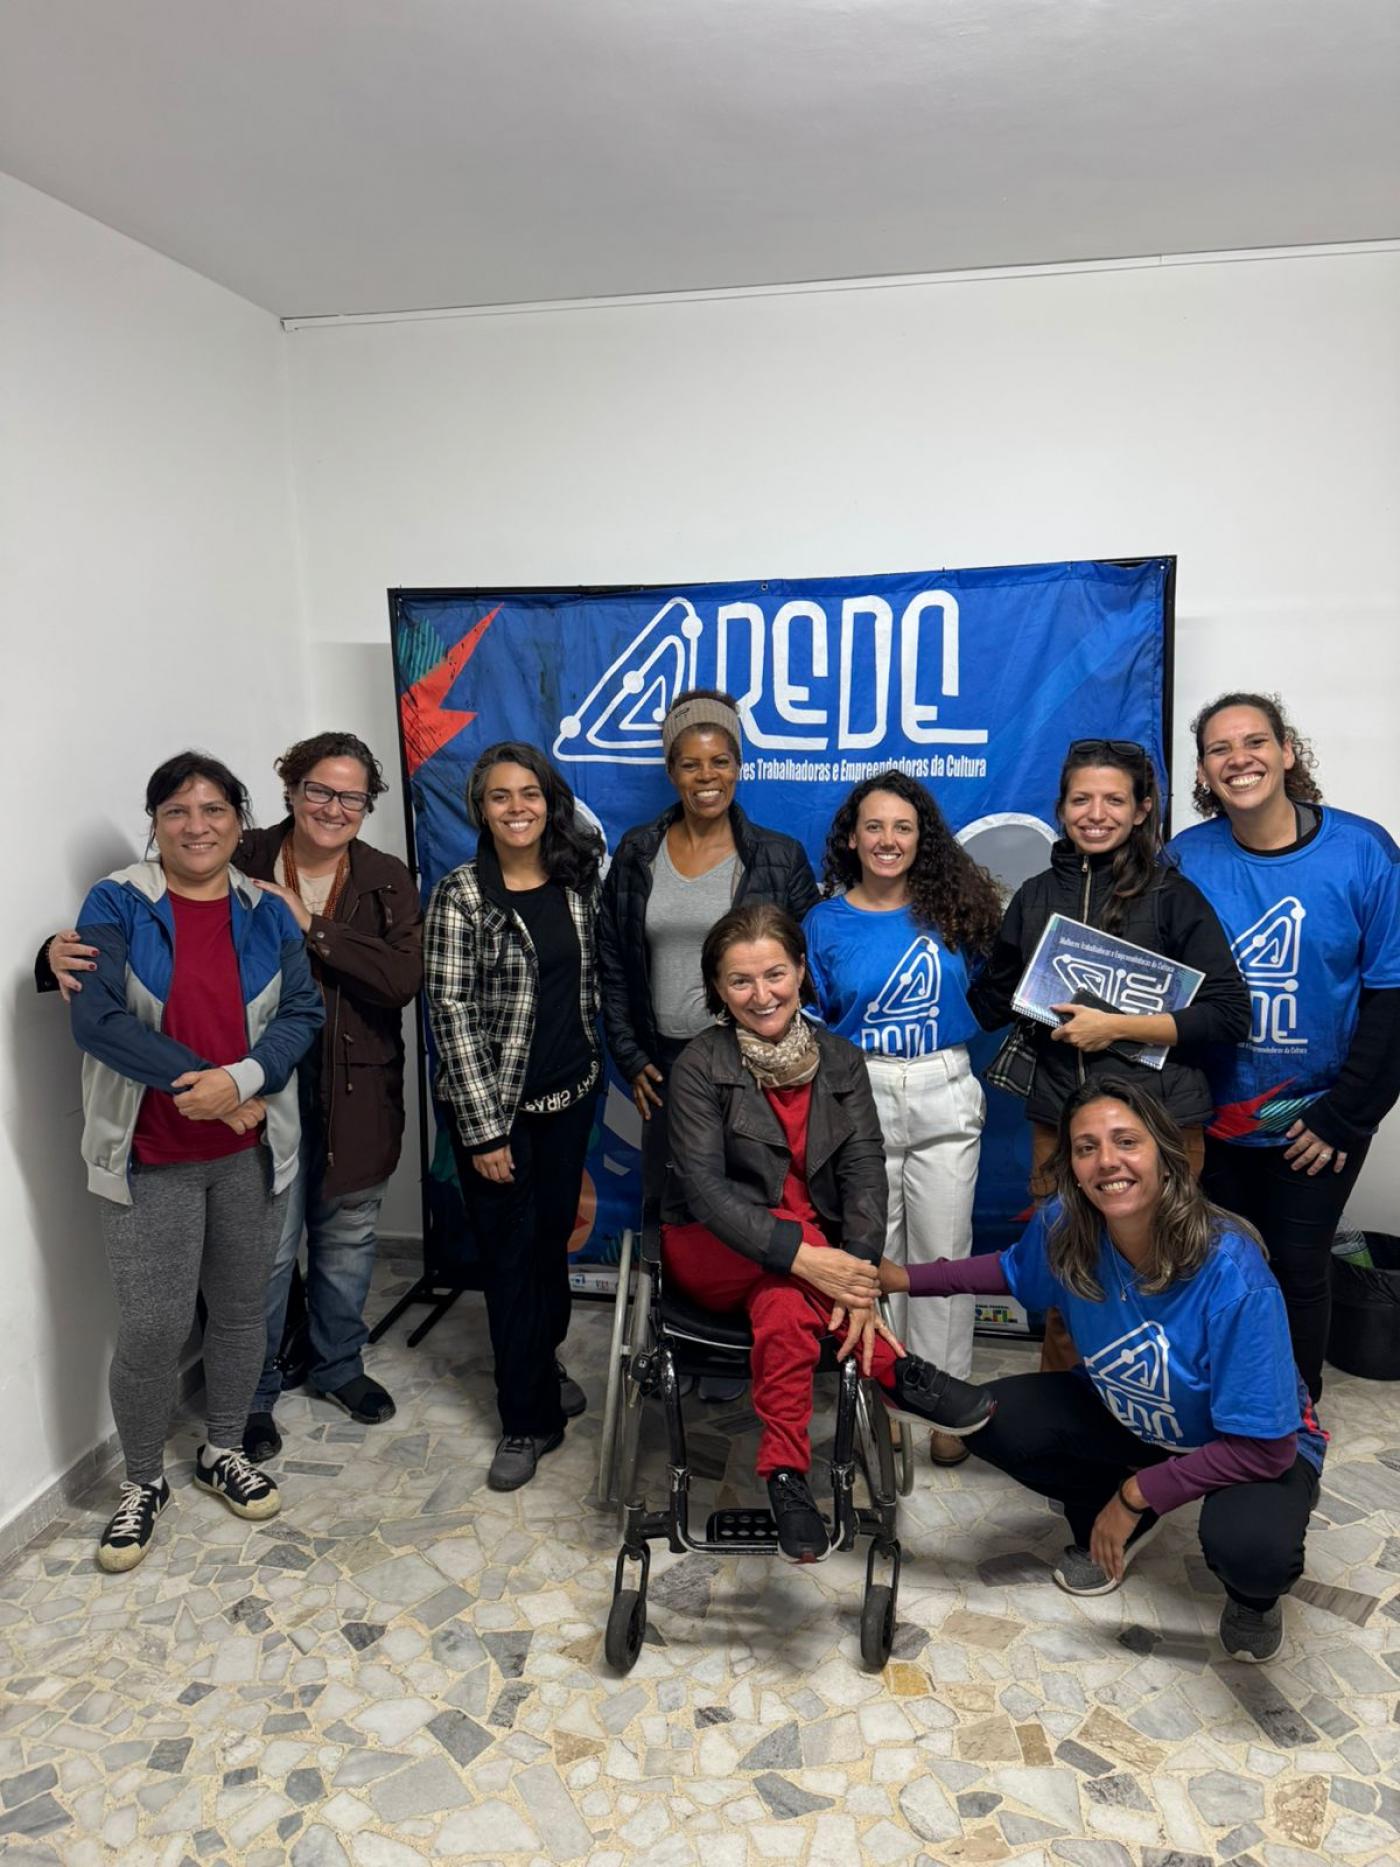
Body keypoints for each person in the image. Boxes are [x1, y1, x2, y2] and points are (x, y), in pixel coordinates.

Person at [42, 731, 424, 1460]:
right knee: (259, 1269)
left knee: (344, 1240)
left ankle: (337, 1365)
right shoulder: (236, 856)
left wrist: (312, 928)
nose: (333, 807)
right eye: (319, 789)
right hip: (248, 1103)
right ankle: (251, 1399)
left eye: (351, 796)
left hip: (345, 1089)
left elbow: (396, 980)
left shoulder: (380, 878)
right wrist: (47, 954)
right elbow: (117, 975)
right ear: (289, 791)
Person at [883, 1079, 1326, 1663]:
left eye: (1126, 1141)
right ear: (1072, 1166)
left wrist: (1136, 1494)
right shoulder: (1067, 1226)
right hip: (1137, 1415)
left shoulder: (1232, 1271)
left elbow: (1265, 1450)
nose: (1107, 1161)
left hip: (1246, 1441)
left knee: (1252, 1549)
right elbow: (1008, 1271)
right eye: (1086, 1147)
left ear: (1165, 1156)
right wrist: (902, 1278)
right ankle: (1112, 1511)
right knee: (987, 1420)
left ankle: (1252, 1600)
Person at [663, 903, 995, 1564]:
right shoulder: (699, 1064)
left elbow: (865, 1172)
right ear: (718, 989)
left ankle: (786, 1479)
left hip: (806, 1268)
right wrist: (818, 1262)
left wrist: (856, 1269)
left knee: (785, 1308)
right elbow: (707, 1193)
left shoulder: (840, 1059)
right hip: (713, 1246)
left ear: (800, 972)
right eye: (740, 981)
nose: (762, 994)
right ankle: (899, 1372)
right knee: (793, 1251)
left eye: (775, 974)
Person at [67, 752, 323, 1572]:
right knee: (154, 1326)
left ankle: (223, 1448)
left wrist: (240, 1084)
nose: (197, 825)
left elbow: (303, 1011)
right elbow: (97, 1019)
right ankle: (143, 1480)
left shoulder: (267, 910)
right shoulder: (116, 901)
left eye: (214, 809)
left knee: (243, 1312)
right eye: (177, 810)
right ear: (155, 823)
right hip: (148, 1155)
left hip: (250, 1152)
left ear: (239, 822)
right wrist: (205, 1085)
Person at [969, 737, 1250, 1369]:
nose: (1095, 814)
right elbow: (990, 1002)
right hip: (1061, 1121)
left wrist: (1116, 1027)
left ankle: (1164, 1413)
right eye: (1081, 800)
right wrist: (959, 933)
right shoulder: (1036, 895)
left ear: (1143, 809)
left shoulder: (1173, 896)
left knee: (1163, 1284)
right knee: (1069, 1286)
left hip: (1159, 1123)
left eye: (1114, 800)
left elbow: (1230, 1013)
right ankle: (1061, 1408)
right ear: (1061, 808)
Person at [1166, 693, 1400, 1399]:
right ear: (1204, 771)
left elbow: (1392, 998)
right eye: (1219, 748)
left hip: (1315, 1117)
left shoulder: (1363, 851)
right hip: (1213, 1115)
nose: (1239, 758)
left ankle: (1294, 1420)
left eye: (1255, 741)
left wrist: (1344, 1116)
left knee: (1298, 1267)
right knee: (1223, 1265)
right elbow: (1163, 984)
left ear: (1287, 751)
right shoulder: (1186, 857)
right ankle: (1233, 1402)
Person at [599, 687, 820, 1401]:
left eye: (721, 760)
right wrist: (630, 1055)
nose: (707, 776)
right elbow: (613, 962)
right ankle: (676, 1347)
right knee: (675, 1206)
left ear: (739, 765)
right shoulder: (638, 852)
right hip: (665, 1066)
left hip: (751, 1066)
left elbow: (806, 963)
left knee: (754, 1200)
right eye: (691, 763)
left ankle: (755, 1342)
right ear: (671, 770)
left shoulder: (778, 856)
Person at [804, 770, 1003, 1466]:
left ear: (923, 839)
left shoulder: (956, 910)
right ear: (851, 839)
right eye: (874, 827)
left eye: (903, 827)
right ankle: (887, 1396)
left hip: (944, 1080)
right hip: (860, 1088)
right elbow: (813, 1018)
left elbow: (997, 988)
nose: (888, 840)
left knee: (944, 1251)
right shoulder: (822, 923)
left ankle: (946, 1402)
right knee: (871, 1254)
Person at [425, 742, 604, 1491]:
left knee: (549, 1247)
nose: (516, 807)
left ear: (549, 802)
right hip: (497, 1116)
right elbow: (450, 1013)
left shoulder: (575, 884)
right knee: (509, 1261)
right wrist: (485, 1131)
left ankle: (542, 1358)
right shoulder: (461, 896)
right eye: (500, 796)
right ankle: (526, 1419)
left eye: (528, 793)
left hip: (570, 1101)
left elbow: (588, 985)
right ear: (481, 809)